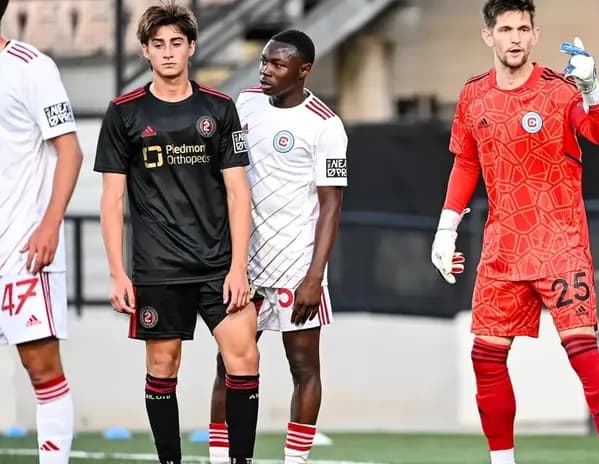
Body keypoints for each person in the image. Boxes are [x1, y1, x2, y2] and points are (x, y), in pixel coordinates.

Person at [429, 1, 599, 463]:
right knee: (486, 357)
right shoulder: (473, 95)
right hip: (503, 247)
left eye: (523, 29)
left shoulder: (560, 90)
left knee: (582, 352)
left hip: (561, 244)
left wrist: (593, 89)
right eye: (505, 29)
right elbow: (466, 162)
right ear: (488, 36)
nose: (514, 37)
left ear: (535, 35)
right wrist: (446, 228)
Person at [93, 3, 260, 463]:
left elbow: (238, 193)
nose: (168, 53)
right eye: (158, 45)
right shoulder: (124, 114)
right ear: (146, 51)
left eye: (176, 43)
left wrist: (239, 266)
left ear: (192, 47)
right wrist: (116, 272)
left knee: (245, 361)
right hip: (159, 270)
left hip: (218, 266)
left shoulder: (219, 109)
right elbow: (111, 199)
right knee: (163, 367)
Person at [206, 29, 347, 464]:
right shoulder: (244, 102)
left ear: (303, 71)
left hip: (294, 269)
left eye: (278, 64)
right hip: (244, 266)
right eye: (265, 61)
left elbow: (331, 207)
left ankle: (295, 461)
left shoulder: (325, 124)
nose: (266, 69)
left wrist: (313, 277)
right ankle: (219, 457)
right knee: (228, 365)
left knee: (303, 369)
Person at [0, 1, 83, 461]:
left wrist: (50, 224)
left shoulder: (31, 69)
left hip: (22, 249)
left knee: (42, 370)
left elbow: (69, 153)